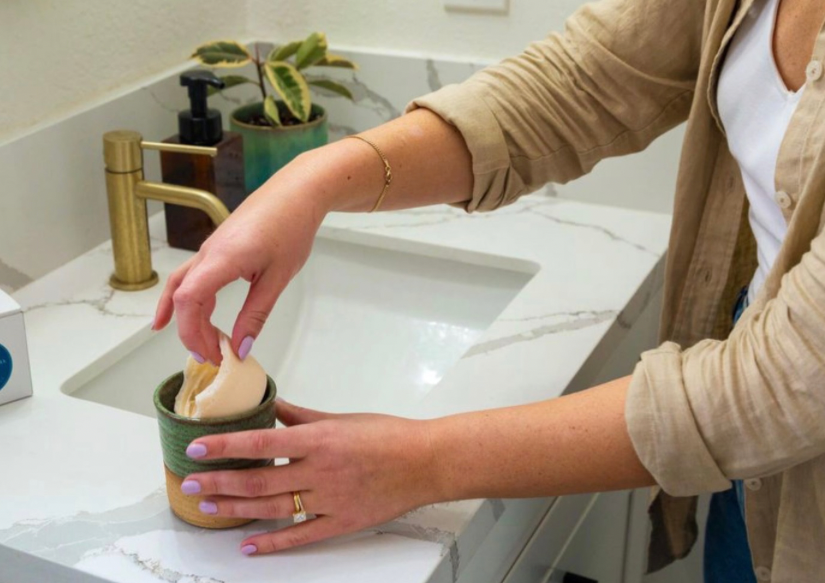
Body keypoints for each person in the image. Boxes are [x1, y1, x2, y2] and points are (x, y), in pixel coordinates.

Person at [151, 0, 825, 579]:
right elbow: (577, 84)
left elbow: (785, 381)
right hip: (755, 474)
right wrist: (314, 178)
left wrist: (423, 462)